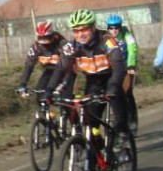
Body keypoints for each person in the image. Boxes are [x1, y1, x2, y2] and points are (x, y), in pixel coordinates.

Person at [47, 9, 127, 154]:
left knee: (119, 112)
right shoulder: (72, 46)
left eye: (83, 30)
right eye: (76, 31)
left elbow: (119, 66)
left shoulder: (107, 41)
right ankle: (100, 153)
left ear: (92, 28)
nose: (80, 35)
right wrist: (49, 90)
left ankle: (121, 136)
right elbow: (60, 68)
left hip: (112, 78)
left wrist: (114, 87)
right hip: (94, 81)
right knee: (90, 123)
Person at [16, 20, 65, 101]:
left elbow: (67, 65)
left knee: (63, 98)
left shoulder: (62, 44)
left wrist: (51, 88)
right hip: (49, 71)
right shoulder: (36, 47)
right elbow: (29, 65)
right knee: (40, 95)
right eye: (41, 39)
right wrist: (23, 84)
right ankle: (46, 111)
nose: (44, 43)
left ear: (52, 36)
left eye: (46, 39)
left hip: (64, 72)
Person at [105, 15, 139, 130]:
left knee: (127, 93)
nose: (114, 31)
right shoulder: (106, 38)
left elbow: (132, 49)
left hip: (127, 66)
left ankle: (132, 119)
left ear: (120, 27)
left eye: (116, 28)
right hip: (113, 68)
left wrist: (131, 65)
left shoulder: (126, 36)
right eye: (111, 28)